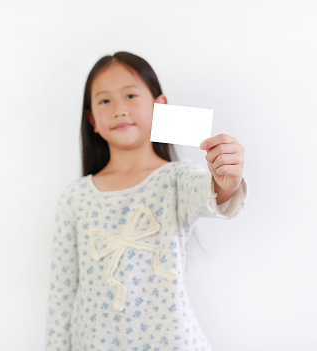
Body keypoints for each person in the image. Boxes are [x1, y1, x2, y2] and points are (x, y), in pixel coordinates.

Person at [45, 51, 248, 351]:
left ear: (160, 106)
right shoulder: (74, 198)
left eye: (130, 95)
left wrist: (226, 182)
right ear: (92, 120)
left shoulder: (177, 179)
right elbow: (61, 296)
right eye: (104, 101)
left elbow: (211, 194)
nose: (118, 109)